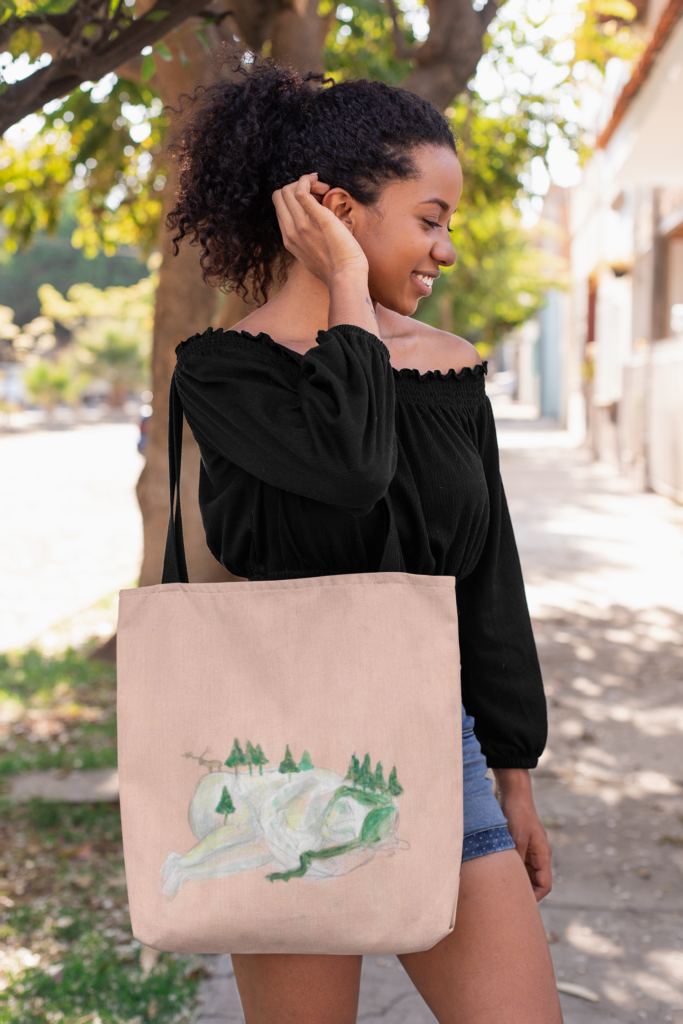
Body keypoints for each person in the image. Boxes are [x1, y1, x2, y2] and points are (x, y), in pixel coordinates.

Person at [167, 60, 562, 1024]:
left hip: (438, 749)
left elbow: (487, 582)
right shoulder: (227, 378)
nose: (448, 250)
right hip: (272, 774)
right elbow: (351, 469)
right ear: (334, 209)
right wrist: (347, 281)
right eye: (429, 219)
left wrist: (512, 775)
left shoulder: (451, 370)